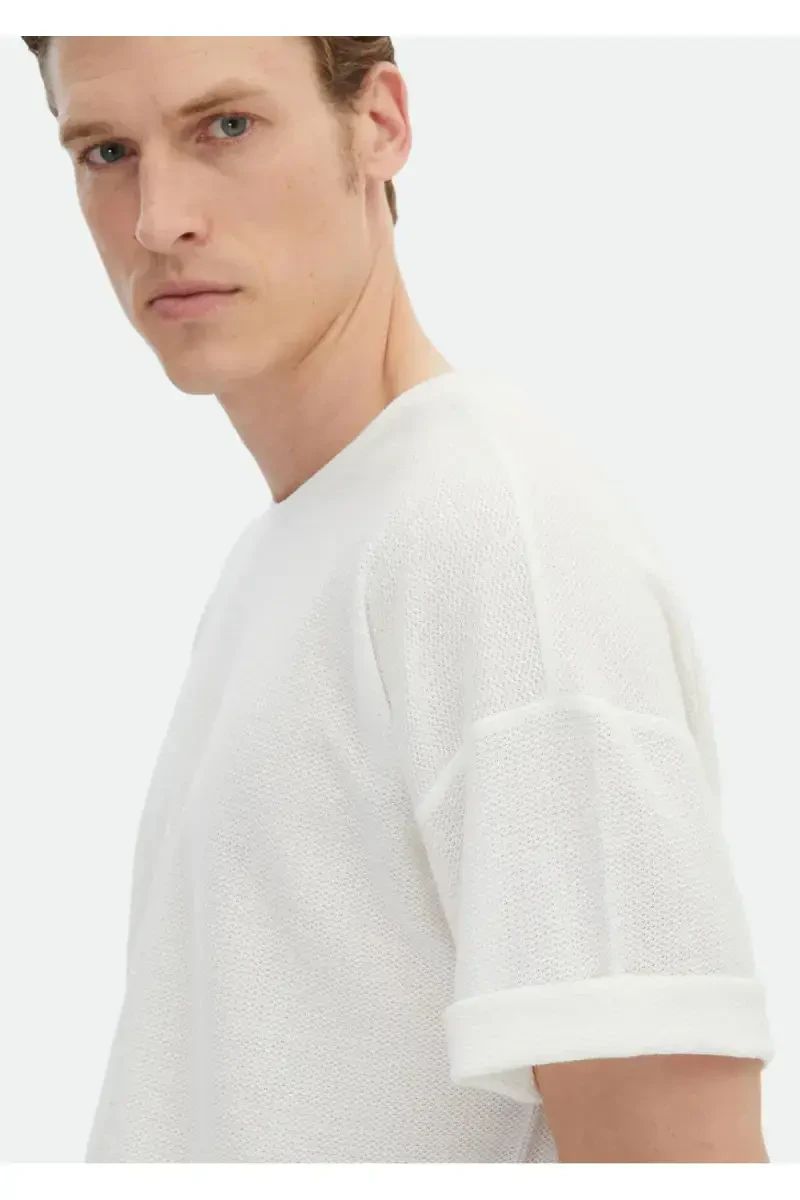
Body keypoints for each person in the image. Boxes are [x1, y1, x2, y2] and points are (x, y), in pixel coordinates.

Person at [22, 35, 773, 1164]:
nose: (158, 220)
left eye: (226, 126)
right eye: (106, 151)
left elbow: (676, 1161)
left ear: (378, 124)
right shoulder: (297, 549)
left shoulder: (494, 535)